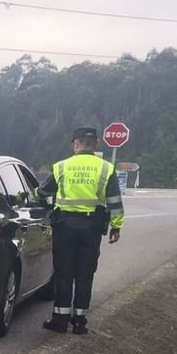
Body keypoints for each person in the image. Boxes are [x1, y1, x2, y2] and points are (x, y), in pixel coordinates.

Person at [37, 127, 125, 335]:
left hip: (65, 226)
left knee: (64, 273)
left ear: (75, 144)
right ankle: (79, 322)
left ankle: (60, 320)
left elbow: (44, 191)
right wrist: (117, 225)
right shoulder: (106, 168)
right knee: (85, 274)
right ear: (96, 145)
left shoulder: (62, 166)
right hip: (92, 227)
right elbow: (114, 201)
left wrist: (29, 194)